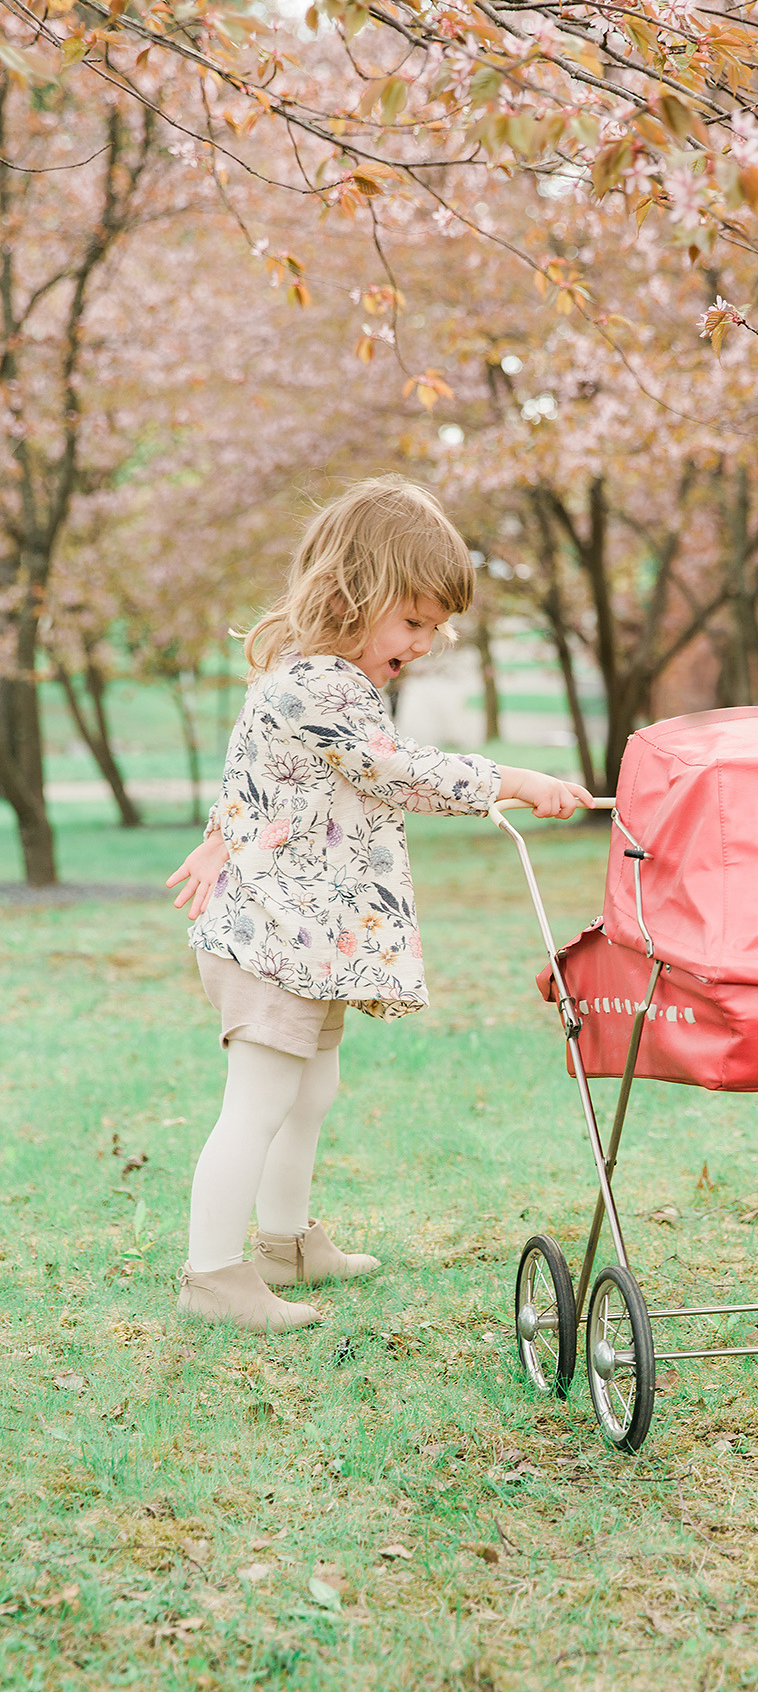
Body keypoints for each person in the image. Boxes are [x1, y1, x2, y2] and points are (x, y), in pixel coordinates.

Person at [166, 476, 592, 1333]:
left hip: (305, 936)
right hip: (271, 937)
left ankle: (286, 1241)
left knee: (309, 1092)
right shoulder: (317, 686)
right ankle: (211, 1276)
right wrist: (510, 780)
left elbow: (260, 779)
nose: (425, 644)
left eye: (436, 628)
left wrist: (221, 833)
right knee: (259, 1101)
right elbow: (394, 769)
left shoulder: (322, 679)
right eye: (415, 621)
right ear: (351, 594)